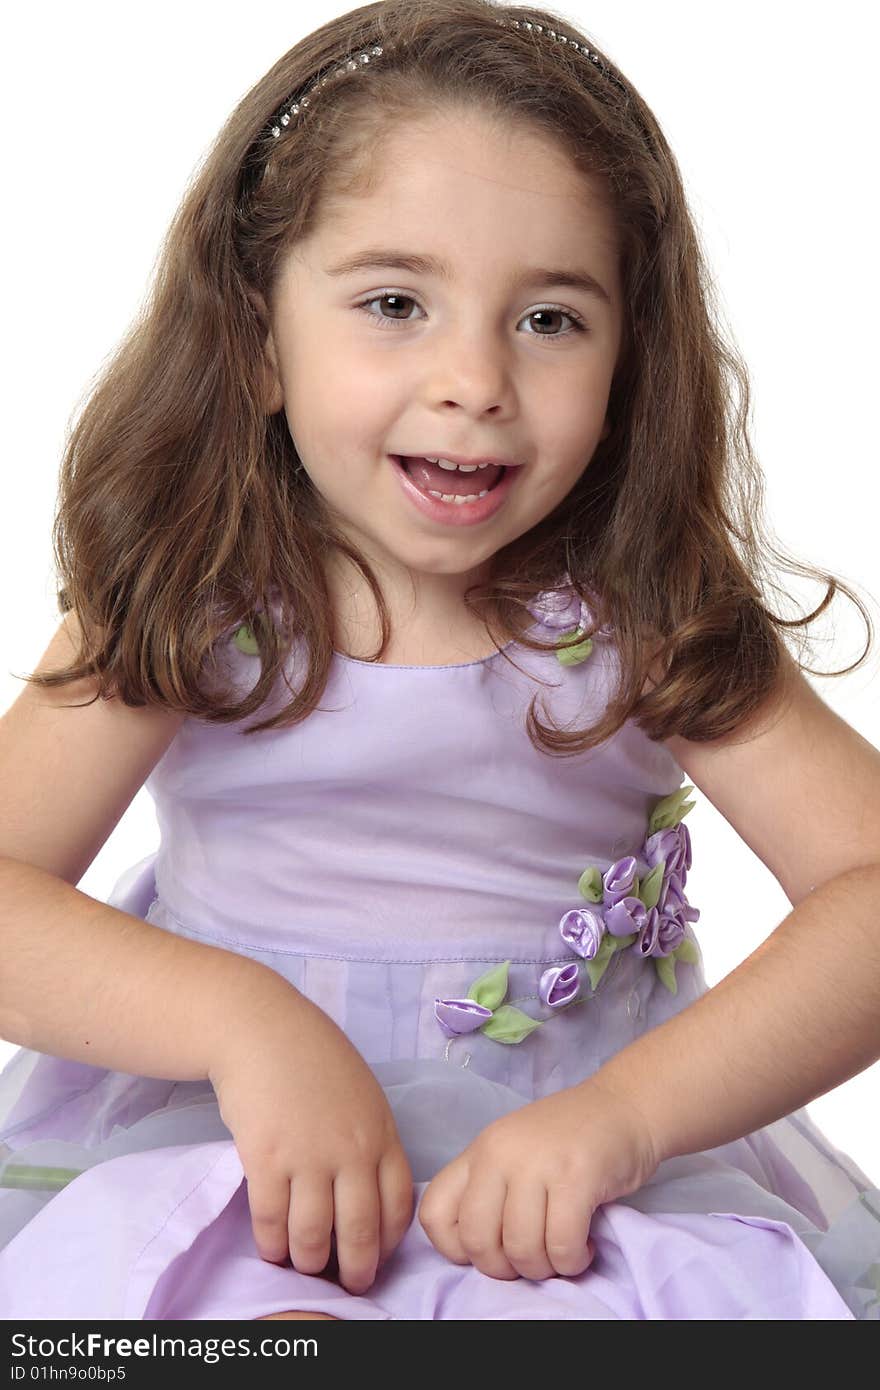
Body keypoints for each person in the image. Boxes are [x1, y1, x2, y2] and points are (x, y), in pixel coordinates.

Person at [0, 0, 878, 1322]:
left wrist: (623, 1120)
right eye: (396, 301)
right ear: (255, 340)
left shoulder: (646, 613)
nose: (475, 378)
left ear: (632, 358)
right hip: (239, 1163)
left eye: (551, 320)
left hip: (571, 1190)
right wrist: (246, 1025)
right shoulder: (193, 598)